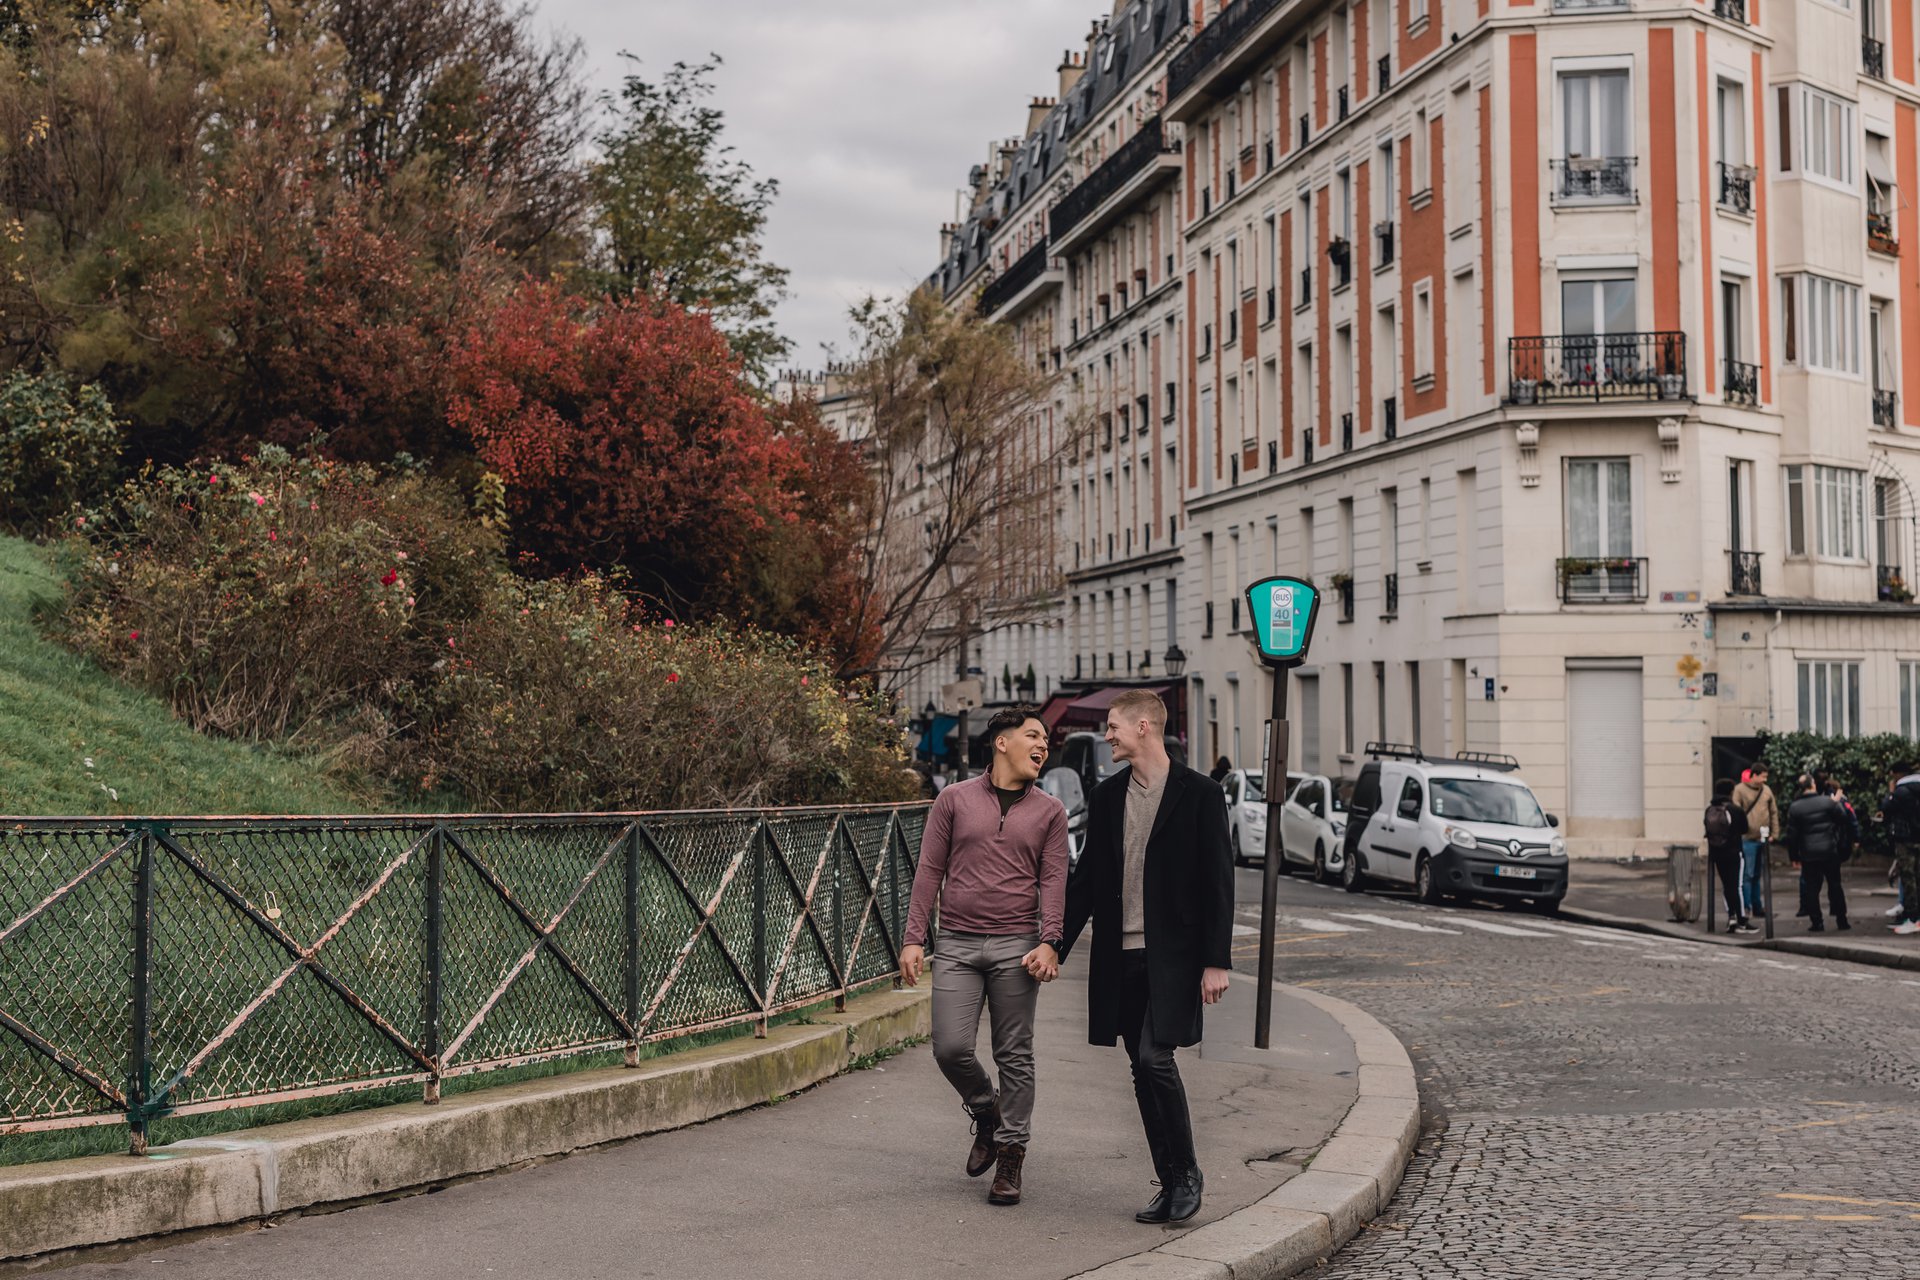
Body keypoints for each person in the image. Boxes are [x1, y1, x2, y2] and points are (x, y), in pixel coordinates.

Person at [1053, 689, 1233, 1227]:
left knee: (1155, 1058)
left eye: (1113, 726)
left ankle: (1187, 1174)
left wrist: (1216, 961)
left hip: (1174, 957)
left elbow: (1218, 883)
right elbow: (1086, 883)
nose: (1107, 735)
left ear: (1143, 727)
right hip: (1120, 956)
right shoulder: (1108, 797)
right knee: (1140, 1067)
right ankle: (1170, 1180)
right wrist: (1052, 946)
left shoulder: (1200, 794)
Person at [898, 706, 1069, 1208]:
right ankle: (986, 1110)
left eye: (1046, 739)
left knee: (1014, 1054)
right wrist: (913, 937)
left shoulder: (1050, 811)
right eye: (1033, 735)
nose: (1043, 745)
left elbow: (1054, 880)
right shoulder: (953, 799)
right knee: (950, 1047)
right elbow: (929, 870)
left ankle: (1011, 1155)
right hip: (956, 942)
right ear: (1002, 742)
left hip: (1018, 944)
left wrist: (1051, 941)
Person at [1784, 773, 1851, 932]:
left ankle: (1817, 922)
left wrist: (1794, 856)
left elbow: (1792, 835)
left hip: (1809, 852)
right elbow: (1843, 819)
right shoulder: (1827, 802)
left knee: (1812, 888)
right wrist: (1836, 803)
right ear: (1813, 785)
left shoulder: (1795, 807)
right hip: (1829, 850)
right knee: (1835, 884)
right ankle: (1841, 920)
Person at [1704, 779, 1755, 934]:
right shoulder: (1735, 810)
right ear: (1731, 791)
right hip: (1734, 851)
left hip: (1717, 853)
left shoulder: (1710, 810)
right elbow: (1745, 829)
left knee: (1726, 885)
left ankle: (1731, 917)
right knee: (1737, 886)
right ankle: (1742, 920)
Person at [1731, 764, 1779, 920]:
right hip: (1747, 839)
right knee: (1748, 874)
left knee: (1757, 874)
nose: (1765, 780)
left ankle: (1757, 906)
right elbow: (1736, 812)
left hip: (1762, 839)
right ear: (1754, 775)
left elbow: (1773, 812)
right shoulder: (1740, 790)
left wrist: (1774, 833)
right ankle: (1747, 907)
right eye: (1763, 776)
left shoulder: (1766, 790)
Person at [1879, 766, 1920, 935]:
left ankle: (1912, 918)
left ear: (1897, 775)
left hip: (1906, 838)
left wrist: (1890, 792)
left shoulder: (1900, 791)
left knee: (1909, 879)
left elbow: (1886, 808)